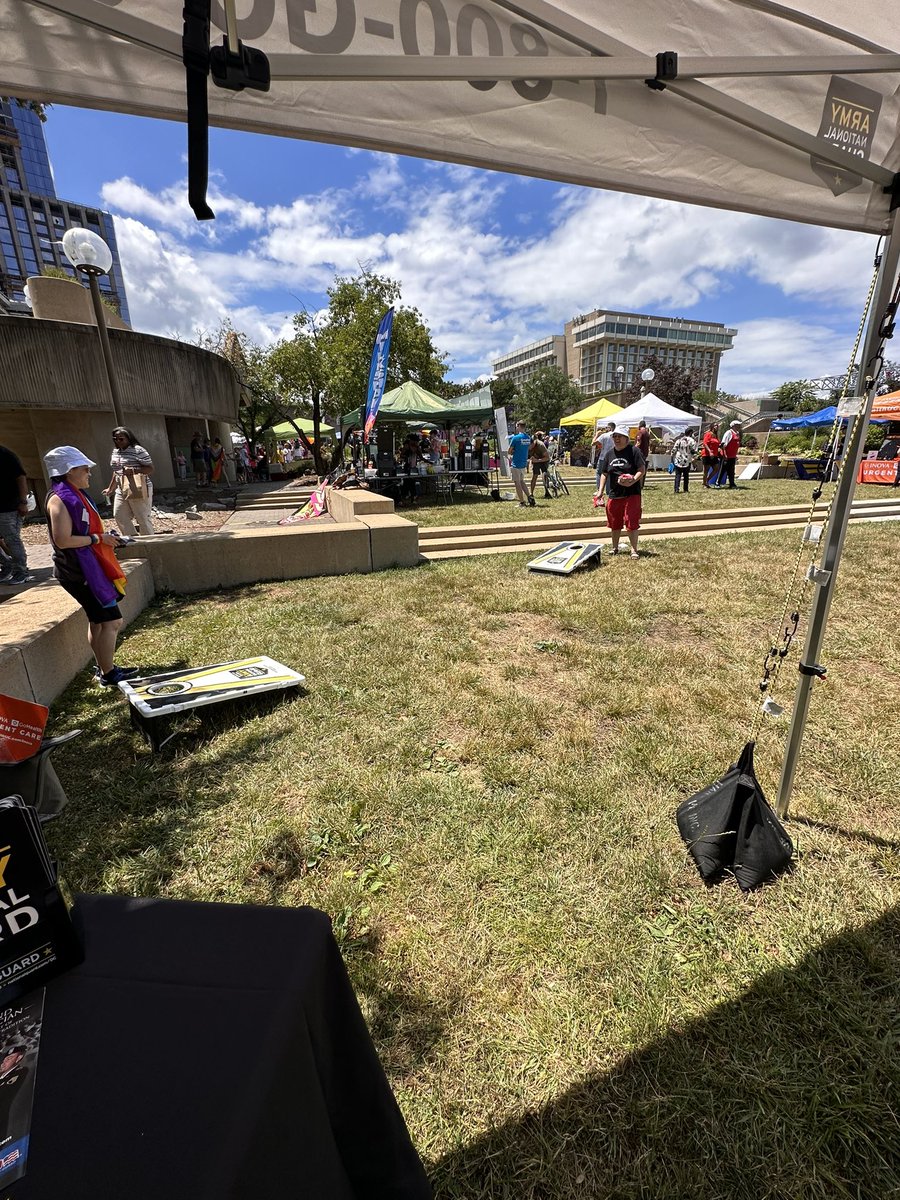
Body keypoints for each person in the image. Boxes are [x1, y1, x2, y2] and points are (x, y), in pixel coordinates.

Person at [44, 446, 137, 688]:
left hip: (84, 569)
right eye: (84, 468)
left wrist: (104, 538)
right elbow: (63, 540)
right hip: (79, 573)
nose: (89, 473)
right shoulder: (59, 500)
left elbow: (83, 531)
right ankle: (109, 674)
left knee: (97, 621)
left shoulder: (74, 494)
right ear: (69, 471)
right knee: (112, 621)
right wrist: (98, 539)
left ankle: (103, 668)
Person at [596, 426, 646, 559]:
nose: (616, 439)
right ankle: (615, 547)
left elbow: (641, 469)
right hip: (614, 493)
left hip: (632, 493)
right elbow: (604, 473)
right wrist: (600, 491)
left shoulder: (634, 451)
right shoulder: (609, 454)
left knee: (631, 521)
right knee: (614, 521)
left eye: (619, 436)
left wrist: (633, 480)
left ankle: (634, 550)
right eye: (615, 436)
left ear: (626, 438)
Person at [104, 426, 155, 536]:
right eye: (115, 439)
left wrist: (134, 470)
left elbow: (150, 469)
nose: (118, 441)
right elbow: (116, 471)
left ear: (129, 438)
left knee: (142, 518)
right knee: (119, 515)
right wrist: (110, 488)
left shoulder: (138, 450)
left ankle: (149, 542)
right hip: (121, 487)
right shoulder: (116, 452)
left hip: (137, 486)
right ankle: (133, 540)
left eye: (121, 439)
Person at [0, 444, 31, 585]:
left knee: (12, 540)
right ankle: (7, 566)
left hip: (8, 507)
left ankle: (21, 572)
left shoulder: (5, 454)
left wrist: (23, 501)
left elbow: (21, 477)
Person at [508, 420, 533, 506]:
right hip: (523, 463)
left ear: (518, 426)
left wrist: (513, 452)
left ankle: (522, 502)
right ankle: (530, 497)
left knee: (517, 483)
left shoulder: (515, 438)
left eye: (516, 426)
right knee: (522, 481)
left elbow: (509, 451)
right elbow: (528, 448)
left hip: (516, 463)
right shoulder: (528, 437)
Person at [671, 428, 698, 494]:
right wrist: (694, 458)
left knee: (678, 475)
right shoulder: (692, 441)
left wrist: (672, 457)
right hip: (687, 460)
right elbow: (693, 451)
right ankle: (685, 489)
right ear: (690, 433)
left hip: (678, 459)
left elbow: (674, 450)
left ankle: (676, 489)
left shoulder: (679, 440)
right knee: (686, 475)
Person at [528, 431, 551, 500]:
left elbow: (547, 457)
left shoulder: (540, 445)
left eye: (530, 445)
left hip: (544, 460)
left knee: (545, 475)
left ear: (534, 442)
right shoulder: (527, 447)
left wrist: (538, 460)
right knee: (535, 475)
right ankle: (531, 493)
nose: (529, 447)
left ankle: (547, 492)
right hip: (536, 461)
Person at [593, 422, 616, 489]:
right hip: (613, 458)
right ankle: (609, 490)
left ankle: (599, 489)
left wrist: (597, 435)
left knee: (599, 473)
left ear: (609, 428)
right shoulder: (616, 435)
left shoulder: (604, 435)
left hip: (603, 457)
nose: (605, 429)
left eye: (606, 427)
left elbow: (593, 443)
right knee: (610, 474)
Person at [719, 420, 742, 488]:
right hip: (727, 455)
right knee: (723, 470)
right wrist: (724, 454)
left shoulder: (737, 433)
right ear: (733, 426)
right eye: (737, 425)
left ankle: (732, 483)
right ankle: (718, 483)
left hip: (732, 456)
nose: (739, 426)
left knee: (731, 470)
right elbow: (723, 444)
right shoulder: (728, 433)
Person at [701, 424, 721, 488]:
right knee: (706, 470)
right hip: (707, 454)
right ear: (712, 427)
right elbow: (705, 443)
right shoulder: (708, 434)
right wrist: (710, 451)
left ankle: (707, 480)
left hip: (715, 454)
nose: (716, 427)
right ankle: (705, 484)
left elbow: (717, 444)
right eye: (715, 425)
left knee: (716, 468)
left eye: (717, 426)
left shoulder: (715, 435)